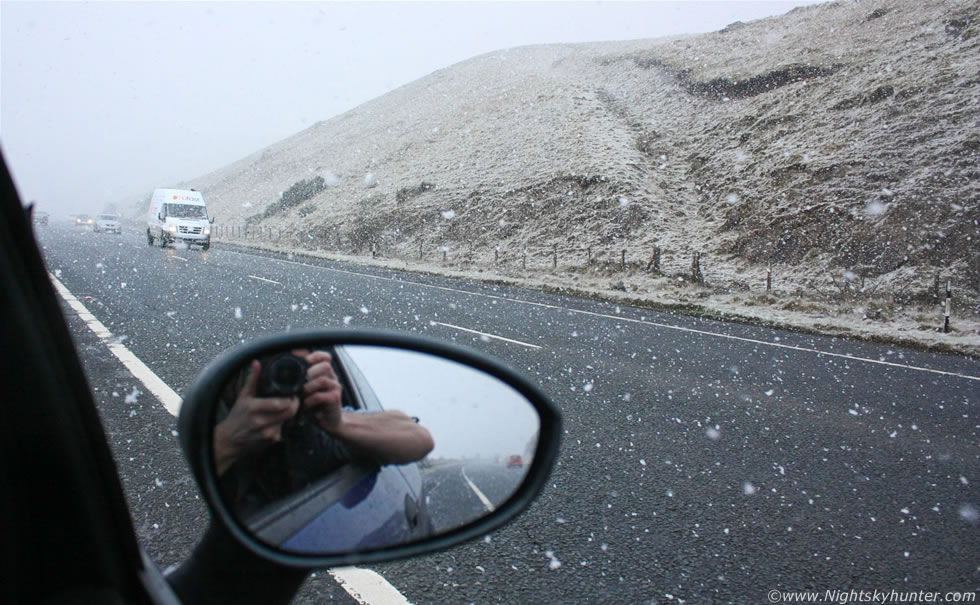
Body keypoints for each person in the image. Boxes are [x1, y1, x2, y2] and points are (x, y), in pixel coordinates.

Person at [213, 349, 433, 520]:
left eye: (298, 370)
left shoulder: (317, 428)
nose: (282, 381)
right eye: (269, 370)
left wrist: (339, 423)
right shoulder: (215, 421)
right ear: (235, 384)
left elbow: (420, 439)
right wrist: (229, 439)